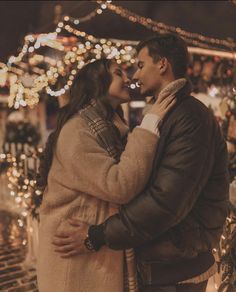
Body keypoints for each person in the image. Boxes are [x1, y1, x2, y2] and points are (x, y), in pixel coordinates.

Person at [53, 34, 229, 292]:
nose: (133, 76)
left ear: (162, 65)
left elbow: (165, 200)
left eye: (140, 65)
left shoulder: (189, 116)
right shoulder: (166, 114)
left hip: (175, 265)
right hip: (163, 260)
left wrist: (98, 235)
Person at [37, 58, 176, 292]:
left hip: (91, 251)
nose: (128, 78)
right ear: (97, 82)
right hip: (76, 260)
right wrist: (150, 124)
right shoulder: (78, 131)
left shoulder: (110, 129)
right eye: (118, 73)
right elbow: (120, 186)